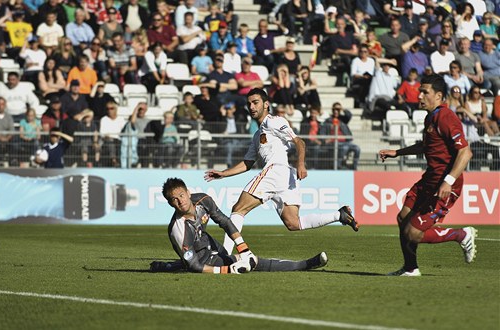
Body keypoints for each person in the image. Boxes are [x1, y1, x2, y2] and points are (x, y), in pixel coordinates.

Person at [204, 88, 359, 253]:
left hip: (276, 170)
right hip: (286, 176)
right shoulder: (258, 135)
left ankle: (225, 255)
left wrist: (301, 164)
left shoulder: (274, 121)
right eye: (249, 104)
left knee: (238, 209)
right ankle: (339, 215)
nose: (251, 107)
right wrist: (223, 173)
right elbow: (248, 163)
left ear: (266, 104)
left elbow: (299, 142)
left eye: (255, 102)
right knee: (293, 223)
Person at [379, 74, 477, 276]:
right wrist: (397, 152)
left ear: (439, 95)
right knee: (403, 218)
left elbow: (465, 152)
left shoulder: (446, 116)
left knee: (413, 232)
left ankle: (461, 234)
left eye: (425, 92)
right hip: (429, 180)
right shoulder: (430, 117)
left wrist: (448, 181)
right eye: (420, 91)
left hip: (445, 183)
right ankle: (410, 269)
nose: (420, 95)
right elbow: (426, 146)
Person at [150, 177, 329, 273]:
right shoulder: (178, 229)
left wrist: (244, 249)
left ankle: (166, 266)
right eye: (173, 199)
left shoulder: (204, 200)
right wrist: (229, 271)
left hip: (208, 243)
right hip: (200, 258)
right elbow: (195, 266)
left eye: (181, 195)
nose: (179, 201)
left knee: (242, 256)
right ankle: (305, 264)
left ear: (188, 193)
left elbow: (225, 222)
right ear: (170, 204)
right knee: (252, 263)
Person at [320, 103, 361, 170]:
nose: (336, 111)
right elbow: (322, 132)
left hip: (346, 141)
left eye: (338, 109)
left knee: (357, 149)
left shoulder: (343, 119)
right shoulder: (328, 121)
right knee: (344, 148)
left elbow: (349, 115)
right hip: (334, 142)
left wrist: (343, 109)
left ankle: (354, 167)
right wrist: (327, 140)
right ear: (332, 110)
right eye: (334, 109)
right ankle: (338, 165)